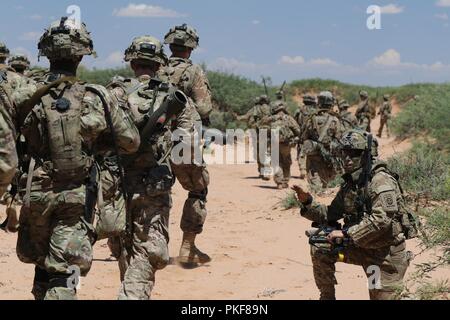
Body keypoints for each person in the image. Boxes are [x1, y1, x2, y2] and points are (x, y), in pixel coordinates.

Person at [16, 17, 140, 300]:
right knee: (64, 271)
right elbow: (131, 142)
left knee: (43, 263)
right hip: (75, 195)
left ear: (45, 52)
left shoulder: (24, 93)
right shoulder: (97, 95)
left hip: (34, 190)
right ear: (83, 53)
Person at [292, 129, 416, 300]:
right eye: (345, 153)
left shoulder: (381, 181)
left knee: (379, 295)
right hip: (359, 247)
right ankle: (327, 297)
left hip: (383, 255)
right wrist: (307, 202)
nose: (348, 159)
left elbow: (382, 220)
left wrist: (345, 233)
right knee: (320, 247)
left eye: (355, 153)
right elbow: (330, 214)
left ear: (367, 155)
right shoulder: (351, 183)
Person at [160, 24, 213, 266]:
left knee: (154, 192)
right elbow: (203, 108)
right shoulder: (193, 72)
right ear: (190, 49)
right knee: (197, 189)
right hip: (183, 141)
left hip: (154, 141)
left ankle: (151, 247)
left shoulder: (155, 68)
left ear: (170, 46)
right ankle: (187, 247)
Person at [300, 91, 344, 193]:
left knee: (314, 177)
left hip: (314, 155)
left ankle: (318, 195)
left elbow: (304, 136)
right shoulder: (335, 120)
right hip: (330, 155)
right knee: (329, 180)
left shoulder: (312, 118)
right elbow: (339, 138)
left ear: (319, 102)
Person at [261, 102, 300, 189]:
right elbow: (298, 131)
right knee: (286, 162)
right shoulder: (289, 118)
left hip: (274, 144)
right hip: (286, 145)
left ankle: (279, 182)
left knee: (276, 162)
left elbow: (262, 129)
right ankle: (285, 181)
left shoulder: (270, 119)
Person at [295, 94, 317, 179]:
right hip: (313, 134)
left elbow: (295, 121)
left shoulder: (299, 110)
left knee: (301, 151)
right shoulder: (316, 110)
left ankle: (302, 170)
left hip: (302, 133)